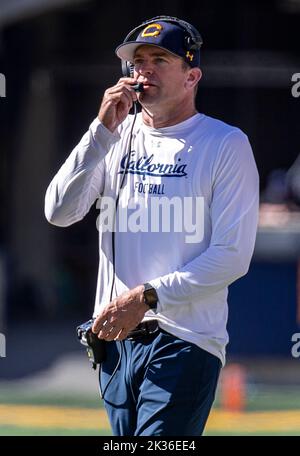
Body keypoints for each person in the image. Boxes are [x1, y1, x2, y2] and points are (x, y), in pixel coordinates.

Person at [44, 16, 259, 436]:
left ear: (191, 75)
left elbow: (233, 256)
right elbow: (59, 211)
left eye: (159, 59)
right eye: (137, 61)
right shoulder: (113, 136)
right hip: (113, 340)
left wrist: (147, 296)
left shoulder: (224, 143)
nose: (143, 69)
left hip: (185, 339)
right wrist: (100, 131)